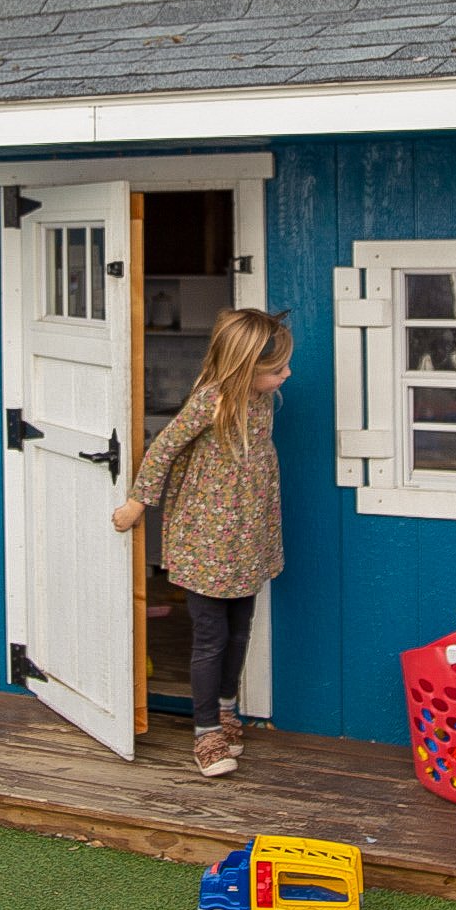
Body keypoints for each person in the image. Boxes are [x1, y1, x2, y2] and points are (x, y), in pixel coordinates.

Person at [112, 307, 291, 777]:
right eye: (277, 370)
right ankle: (205, 730)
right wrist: (138, 503)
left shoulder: (260, 399)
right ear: (244, 366)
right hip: (207, 538)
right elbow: (164, 448)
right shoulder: (210, 401)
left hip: (248, 535)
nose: (286, 375)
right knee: (211, 638)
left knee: (239, 629)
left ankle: (228, 707)